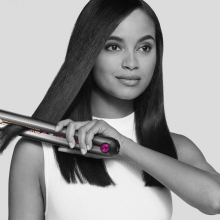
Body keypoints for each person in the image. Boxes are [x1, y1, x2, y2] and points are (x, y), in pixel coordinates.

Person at [1, 0, 220, 219]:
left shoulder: (174, 147)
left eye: (144, 48)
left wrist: (122, 147)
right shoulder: (38, 151)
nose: (131, 63)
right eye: (114, 46)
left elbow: (215, 200)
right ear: (88, 53)